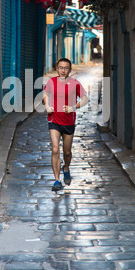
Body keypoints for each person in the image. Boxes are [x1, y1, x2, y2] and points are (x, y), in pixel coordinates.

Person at [43, 58, 88, 192]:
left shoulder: (75, 83)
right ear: (57, 68)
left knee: (67, 152)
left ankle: (66, 168)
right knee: (55, 149)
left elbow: (85, 99)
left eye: (66, 68)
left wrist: (73, 107)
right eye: (61, 67)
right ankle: (57, 180)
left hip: (69, 121)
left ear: (70, 69)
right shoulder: (52, 82)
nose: (63, 70)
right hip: (54, 120)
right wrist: (47, 105)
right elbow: (45, 93)